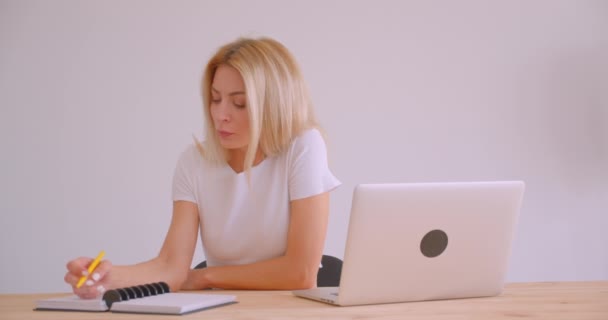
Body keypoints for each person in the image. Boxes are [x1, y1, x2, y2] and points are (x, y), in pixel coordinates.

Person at [64, 37, 341, 298]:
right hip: (226, 309)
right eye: (215, 98)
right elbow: (170, 267)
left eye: (239, 103)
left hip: (286, 309)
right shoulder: (193, 162)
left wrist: (206, 277)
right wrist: (106, 277)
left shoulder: (303, 146)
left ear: (273, 106)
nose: (221, 115)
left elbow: (301, 274)